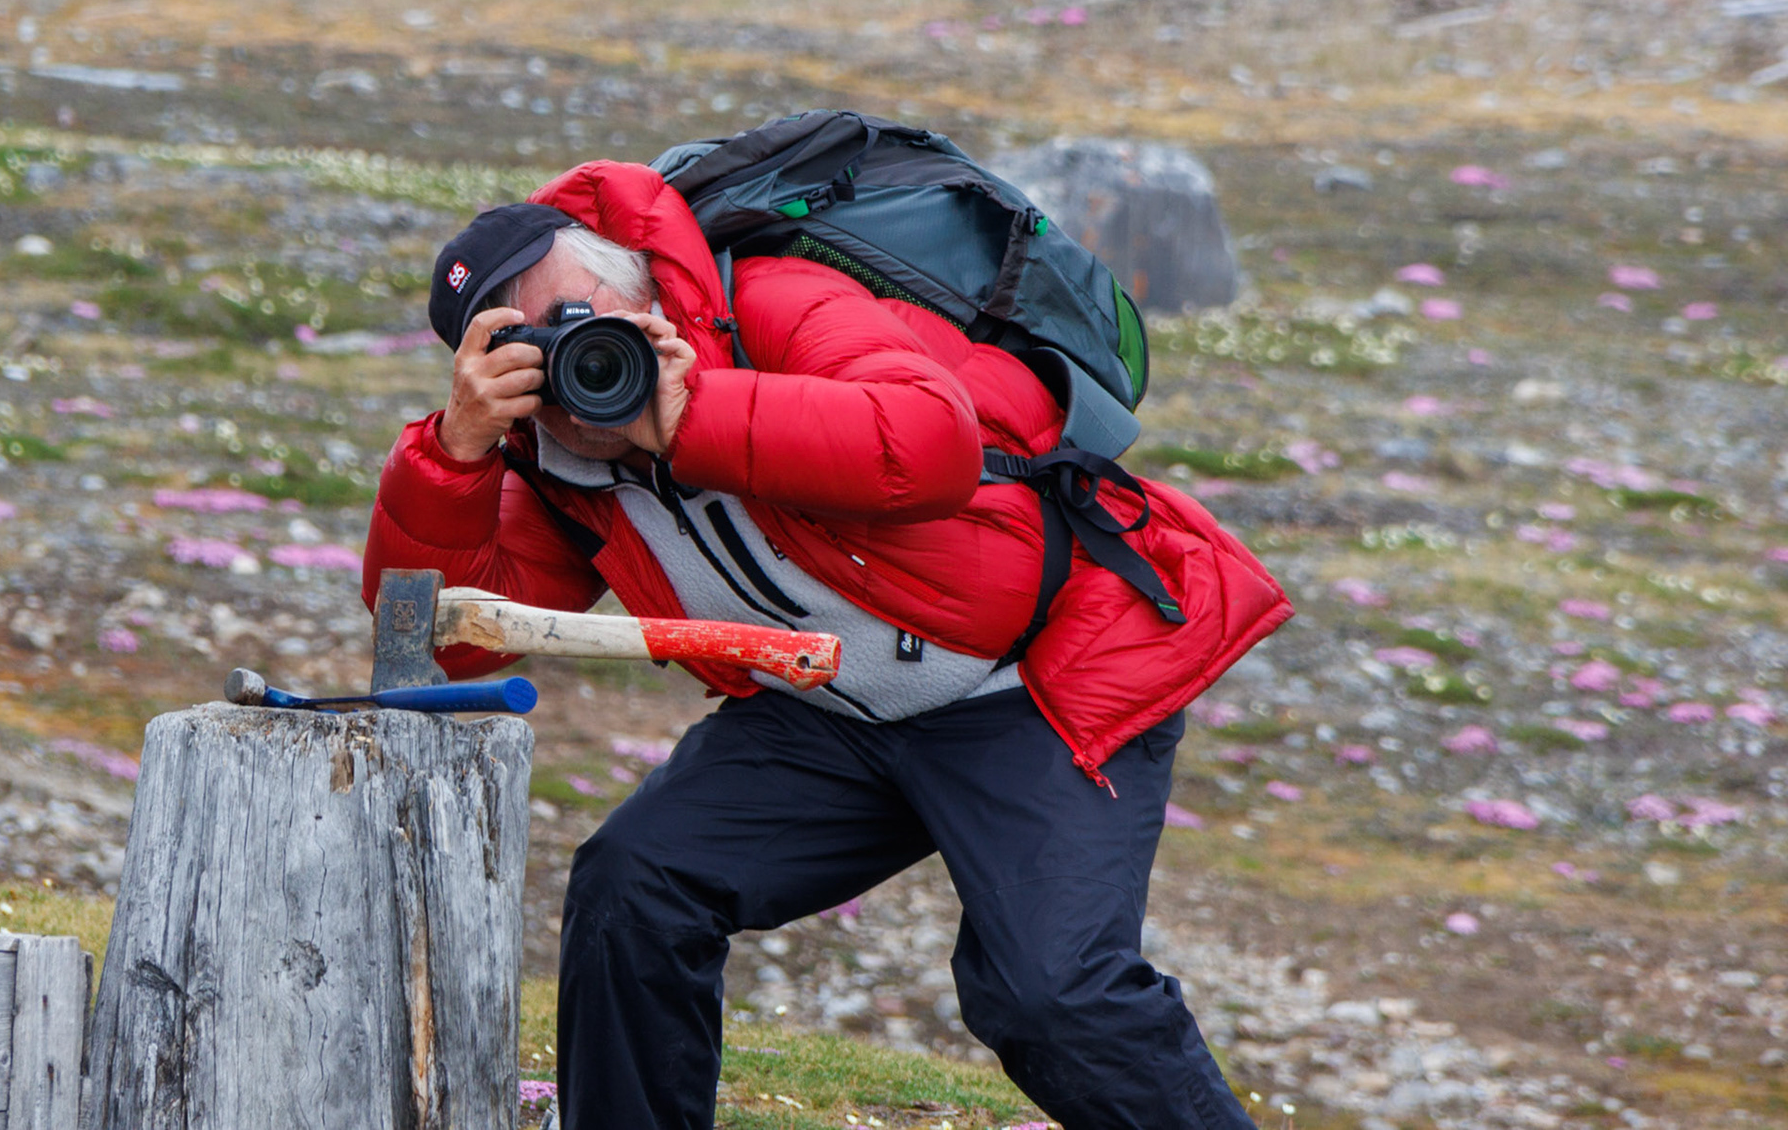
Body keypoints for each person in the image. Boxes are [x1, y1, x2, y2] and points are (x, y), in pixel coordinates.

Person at [363, 157, 1293, 1130]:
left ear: (633, 278)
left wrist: (688, 415)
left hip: (1031, 678)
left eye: (575, 313)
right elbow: (442, 644)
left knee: (1052, 995)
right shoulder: (553, 454)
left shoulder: (768, 300)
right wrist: (450, 455)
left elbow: (929, 440)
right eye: (524, 345)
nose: (570, 357)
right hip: (831, 712)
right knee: (635, 884)